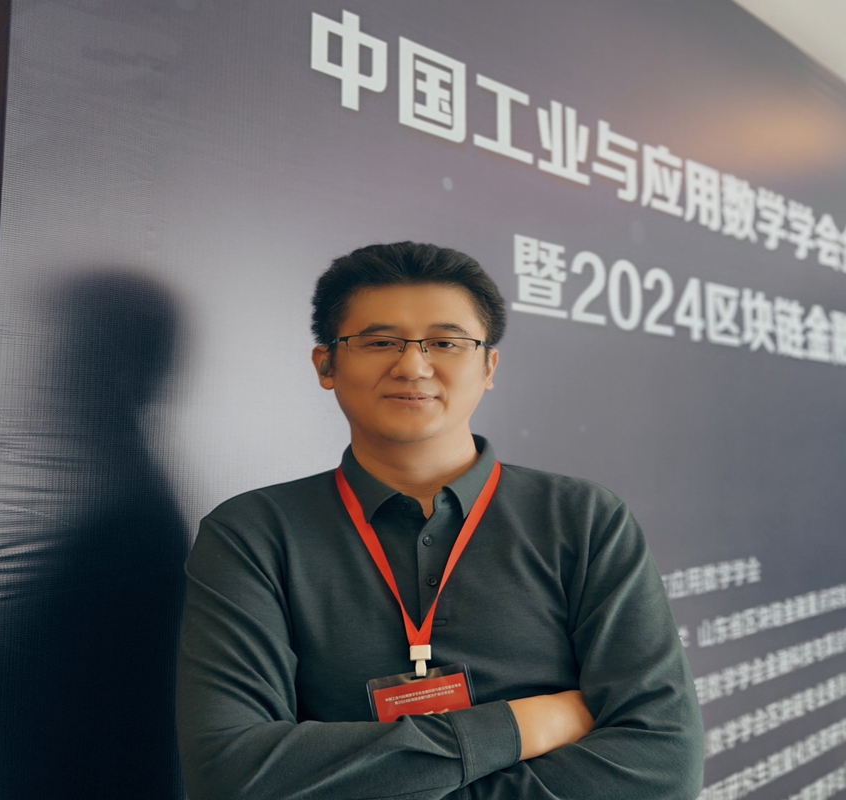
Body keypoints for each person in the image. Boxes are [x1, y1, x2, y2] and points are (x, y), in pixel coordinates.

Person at [176, 242, 705, 800]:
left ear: (488, 366)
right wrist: (521, 726)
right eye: (380, 342)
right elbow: (229, 774)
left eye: (446, 343)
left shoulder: (583, 519)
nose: (412, 366)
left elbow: (663, 767)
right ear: (326, 365)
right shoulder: (253, 534)